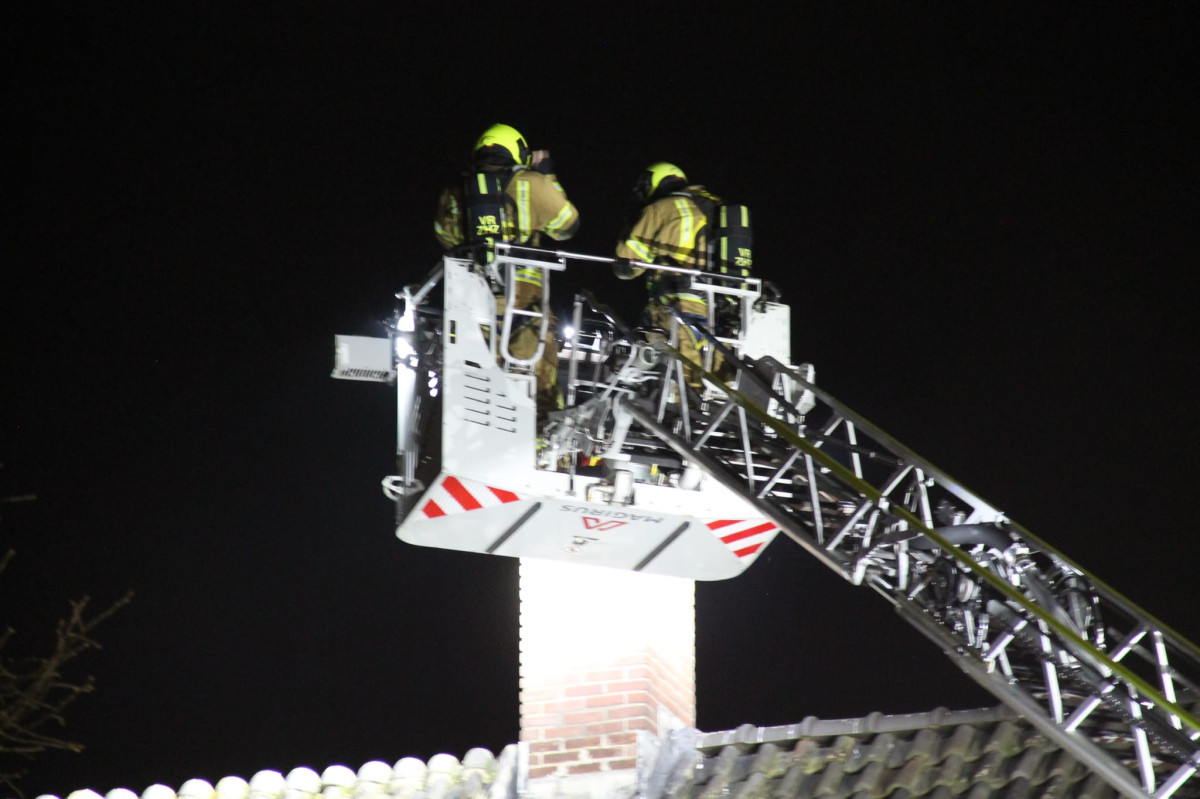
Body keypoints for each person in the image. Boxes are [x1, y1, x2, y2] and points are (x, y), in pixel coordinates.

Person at [434, 124, 580, 414]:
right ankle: (540, 441)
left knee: (476, 384)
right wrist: (548, 176)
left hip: (474, 306)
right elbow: (567, 226)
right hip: (526, 305)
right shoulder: (531, 183)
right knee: (539, 384)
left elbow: (444, 236)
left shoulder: (454, 192)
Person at [614, 162, 720, 389]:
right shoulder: (710, 208)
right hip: (713, 314)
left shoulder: (661, 208)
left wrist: (631, 222)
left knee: (678, 388)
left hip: (674, 311)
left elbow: (626, 267)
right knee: (708, 389)